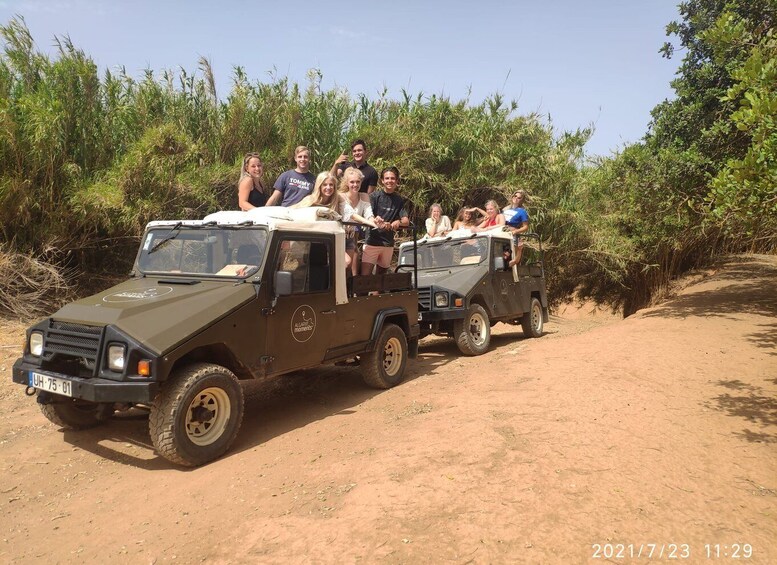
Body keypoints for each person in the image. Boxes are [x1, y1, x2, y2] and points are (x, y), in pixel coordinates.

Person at [361, 166, 409, 275]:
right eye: (387, 178)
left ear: (396, 181)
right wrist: (378, 221)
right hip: (372, 242)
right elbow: (368, 215)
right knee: (364, 279)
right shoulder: (374, 196)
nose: (389, 181)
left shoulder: (399, 200)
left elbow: (406, 221)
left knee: (380, 282)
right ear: (382, 180)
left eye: (392, 178)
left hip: (388, 244)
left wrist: (398, 222)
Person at [338, 167, 377, 274]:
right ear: (347, 183)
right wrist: (371, 223)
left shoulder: (364, 196)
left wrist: (375, 221)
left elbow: (369, 214)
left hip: (350, 237)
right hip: (338, 236)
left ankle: (346, 290)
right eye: (352, 182)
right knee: (344, 264)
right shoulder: (341, 196)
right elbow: (352, 215)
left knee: (348, 269)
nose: (355, 184)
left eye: (357, 182)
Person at [504, 190, 530, 265]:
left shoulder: (522, 211)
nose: (516, 198)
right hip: (501, 233)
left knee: (510, 257)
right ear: (512, 197)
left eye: (519, 198)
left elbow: (525, 227)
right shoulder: (506, 209)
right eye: (515, 196)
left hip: (512, 234)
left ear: (521, 200)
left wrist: (516, 231)